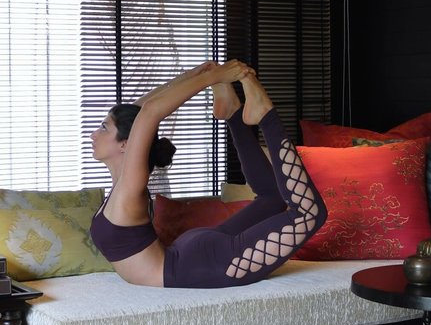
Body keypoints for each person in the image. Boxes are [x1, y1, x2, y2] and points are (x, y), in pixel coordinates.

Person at [90, 59, 327, 288]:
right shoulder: (123, 188)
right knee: (278, 201)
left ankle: (265, 115)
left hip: (197, 262)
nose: (93, 134)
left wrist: (207, 76)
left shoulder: (129, 189)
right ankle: (235, 114)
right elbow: (141, 113)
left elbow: (147, 112)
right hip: (194, 257)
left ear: (125, 144)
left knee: (309, 213)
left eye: (103, 128)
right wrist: (205, 76)